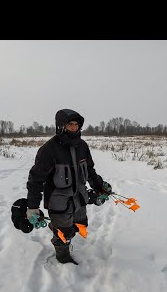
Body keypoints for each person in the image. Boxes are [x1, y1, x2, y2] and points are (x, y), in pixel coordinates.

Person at [11, 109, 112, 265]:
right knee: (63, 234)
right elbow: (35, 180)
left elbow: (90, 170)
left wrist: (100, 186)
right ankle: (63, 258)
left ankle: (57, 227)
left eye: (76, 125)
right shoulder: (49, 149)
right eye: (70, 124)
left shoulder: (83, 146)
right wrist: (32, 206)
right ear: (61, 126)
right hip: (58, 202)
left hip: (79, 199)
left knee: (80, 225)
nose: (74, 128)